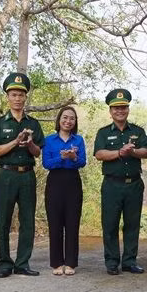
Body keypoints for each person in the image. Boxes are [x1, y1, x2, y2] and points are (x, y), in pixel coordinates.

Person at [0, 73, 45, 278]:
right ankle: (4, 263)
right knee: (3, 220)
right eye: (14, 94)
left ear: (25, 97)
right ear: (7, 97)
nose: (18, 98)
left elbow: (38, 152)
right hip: (6, 176)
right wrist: (14, 142)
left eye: (21, 95)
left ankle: (22, 262)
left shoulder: (34, 123)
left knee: (27, 220)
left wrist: (29, 143)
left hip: (27, 176)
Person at [93, 89, 147, 275]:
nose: (120, 111)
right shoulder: (103, 132)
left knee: (132, 224)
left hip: (134, 184)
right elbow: (99, 154)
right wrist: (119, 152)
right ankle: (111, 261)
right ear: (110, 111)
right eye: (116, 108)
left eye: (123, 107)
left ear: (128, 109)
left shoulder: (138, 131)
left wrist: (132, 152)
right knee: (110, 224)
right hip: (112, 185)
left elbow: (146, 152)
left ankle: (130, 261)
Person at [42, 106, 86, 276]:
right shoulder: (49, 140)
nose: (68, 121)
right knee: (55, 223)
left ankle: (71, 262)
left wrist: (74, 157)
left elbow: (82, 162)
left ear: (75, 122)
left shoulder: (79, 140)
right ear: (59, 119)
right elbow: (46, 163)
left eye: (72, 119)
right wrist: (61, 157)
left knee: (72, 223)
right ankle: (56, 263)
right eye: (65, 117)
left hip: (73, 181)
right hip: (55, 181)